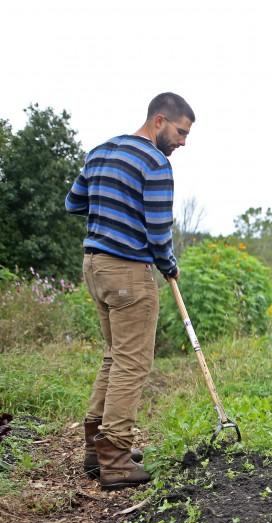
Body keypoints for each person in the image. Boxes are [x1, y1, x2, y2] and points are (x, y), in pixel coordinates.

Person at [65, 92, 194, 490]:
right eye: (180, 132)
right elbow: (158, 230)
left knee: (115, 356)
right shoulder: (155, 163)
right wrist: (168, 264)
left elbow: (74, 203)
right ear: (159, 120)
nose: (182, 142)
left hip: (95, 266)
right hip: (127, 271)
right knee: (133, 362)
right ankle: (116, 459)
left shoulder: (100, 151)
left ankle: (96, 451)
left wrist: (112, 210)